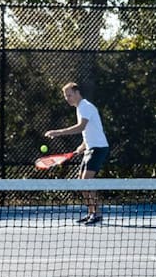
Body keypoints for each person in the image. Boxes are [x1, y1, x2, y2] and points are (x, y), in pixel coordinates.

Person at [45, 82, 109, 225]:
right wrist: (81, 147)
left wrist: (58, 132)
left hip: (98, 149)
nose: (67, 98)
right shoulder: (80, 108)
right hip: (90, 148)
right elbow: (90, 131)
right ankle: (91, 212)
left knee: (86, 181)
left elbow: (81, 127)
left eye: (69, 95)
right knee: (81, 182)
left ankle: (97, 214)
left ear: (77, 92)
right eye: (66, 96)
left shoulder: (85, 106)